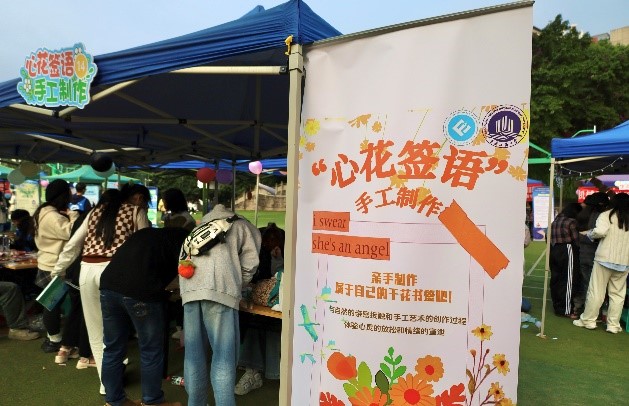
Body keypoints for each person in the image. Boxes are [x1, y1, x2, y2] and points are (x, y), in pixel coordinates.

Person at [54, 186, 150, 395]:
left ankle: (106, 384)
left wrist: (58, 270)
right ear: (135, 198)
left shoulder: (94, 212)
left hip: (88, 271)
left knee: (96, 331)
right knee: (119, 330)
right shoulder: (136, 212)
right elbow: (145, 245)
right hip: (117, 272)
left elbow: (73, 245)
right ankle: (114, 378)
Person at [179, 203, 261, 406]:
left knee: (193, 355)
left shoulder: (197, 228)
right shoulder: (241, 225)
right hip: (220, 290)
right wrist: (239, 285)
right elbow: (251, 262)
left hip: (189, 290)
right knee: (224, 357)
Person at [100, 227, 188, 406]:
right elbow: (184, 274)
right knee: (151, 350)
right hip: (142, 293)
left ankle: (114, 401)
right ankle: (152, 401)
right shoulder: (184, 242)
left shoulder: (146, 234)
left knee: (112, 348)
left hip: (108, 287)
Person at [235, 223, 284, 396]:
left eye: (273, 240)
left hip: (276, 304)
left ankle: (260, 370)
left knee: (267, 326)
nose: (269, 243)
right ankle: (252, 370)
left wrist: (278, 260)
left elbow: (279, 275)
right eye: (267, 240)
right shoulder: (258, 253)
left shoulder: (285, 254)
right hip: (259, 302)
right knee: (252, 322)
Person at [33, 179, 79, 353]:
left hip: (46, 263)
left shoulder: (43, 212)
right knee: (52, 305)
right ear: (62, 196)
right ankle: (54, 340)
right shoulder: (53, 217)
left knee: (51, 304)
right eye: (68, 193)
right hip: (55, 267)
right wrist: (74, 216)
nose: (70, 197)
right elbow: (71, 232)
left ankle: (53, 338)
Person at [574, 193, 629, 334]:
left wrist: (590, 234)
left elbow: (600, 231)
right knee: (617, 295)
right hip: (624, 261)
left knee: (596, 291)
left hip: (604, 258)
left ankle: (588, 320)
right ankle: (613, 325)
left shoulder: (607, 215)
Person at [574, 192, 610, 315]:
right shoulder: (600, 216)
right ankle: (595, 312)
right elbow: (599, 234)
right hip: (595, 253)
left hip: (583, 252)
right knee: (597, 286)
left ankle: (586, 309)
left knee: (586, 283)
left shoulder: (583, 215)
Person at [549, 202, 582, 318]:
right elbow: (576, 240)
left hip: (554, 249)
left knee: (556, 279)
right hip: (568, 249)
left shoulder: (555, 221)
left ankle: (558, 306)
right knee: (568, 280)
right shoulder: (571, 222)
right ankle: (566, 310)